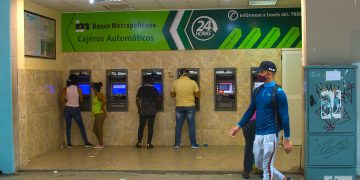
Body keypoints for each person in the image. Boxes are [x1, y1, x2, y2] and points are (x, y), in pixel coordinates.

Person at [230, 61, 293, 180]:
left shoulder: (279, 92)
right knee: (259, 164)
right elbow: (250, 111)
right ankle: (283, 178)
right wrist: (238, 126)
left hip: (272, 133)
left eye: (261, 72)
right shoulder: (257, 91)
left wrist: (287, 139)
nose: (259, 73)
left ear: (269, 74)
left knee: (267, 167)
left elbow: (285, 116)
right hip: (258, 133)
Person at [60, 74, 93, 148]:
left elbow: (61, 99)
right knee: (81, 126)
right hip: (76, 109)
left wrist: (67, 102)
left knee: (68, 127)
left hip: (67, 109)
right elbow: (81, 100)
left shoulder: (65, 88)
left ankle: (69, 144)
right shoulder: (79, 88)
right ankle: (86, 142)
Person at [171, 68, 200, 149]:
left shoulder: (175, 82)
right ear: (188, 74)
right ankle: (193, 144)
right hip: (190, 106)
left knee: (178, 126)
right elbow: (198, 95)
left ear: (180, 74)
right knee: (191, 126)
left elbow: (172, 95)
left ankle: (177, 144)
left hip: (179, 106)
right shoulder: (193, 82)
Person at [135, 76, 160, 148]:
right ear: (152, 82)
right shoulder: (154, 89)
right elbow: (158, 100)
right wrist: (156, 107)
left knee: (141, 126)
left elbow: (137, 100)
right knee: (150, 127)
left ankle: (139, 143)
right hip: (152, 110)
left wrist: (139, 109)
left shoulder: (141, 89)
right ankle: (149, 144)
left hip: (143, 110)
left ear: (145, 82)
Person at [91, 82, 107, 149]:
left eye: (93, 89)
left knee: (99, 129)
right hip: (98, 114)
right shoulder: (97, 94)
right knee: (95, 129)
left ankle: (101, 144)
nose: (92, 90)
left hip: (100, 114)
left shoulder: (99, 94)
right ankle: (101, 143)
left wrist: (102, 107)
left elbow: (104, 101)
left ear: (95, 89)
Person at [241, 112, 257, 179]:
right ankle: (263, 170)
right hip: (259, 123)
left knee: (249, 147)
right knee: (263, 148)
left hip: (249, 122)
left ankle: (246, 171)